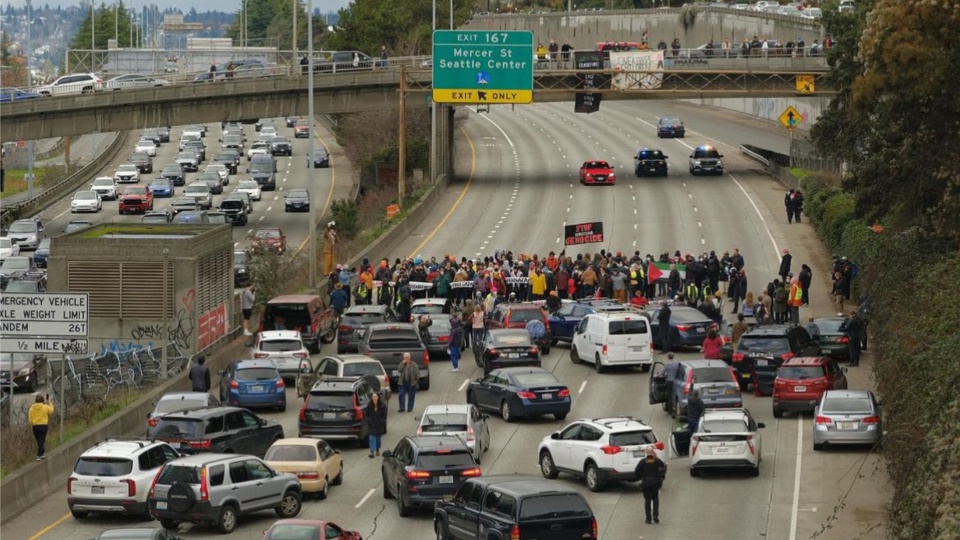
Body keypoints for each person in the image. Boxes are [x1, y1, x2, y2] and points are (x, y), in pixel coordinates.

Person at [635, 447, 667, 524]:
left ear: (646, 452)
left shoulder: (642, 462)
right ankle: (655, 515)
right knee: (655, 499)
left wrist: (641, 477)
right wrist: (660, 476)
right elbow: (663, 467)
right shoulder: (657, 461)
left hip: (646, 482)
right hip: (655, 482)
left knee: (647, 500)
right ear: (653, 452)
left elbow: (636, 471)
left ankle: (648, 519)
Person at [29, 394, 54, 461]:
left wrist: (32, 423)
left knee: (39, 440)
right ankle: (39, 454)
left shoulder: (31, 408)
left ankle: (42, 454)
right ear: (42, 400)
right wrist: (49, 403)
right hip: (43, 426)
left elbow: (30, 419)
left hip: (35, 426)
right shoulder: (45, 407)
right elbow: (51, 410)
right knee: (41, 440)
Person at [365, 392, 388, 458]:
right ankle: (372, 452)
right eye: (373, 397)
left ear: (378, 397)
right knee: (371, 438)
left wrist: (381, 421)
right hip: (371, 425)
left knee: (378, 439)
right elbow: (366, 414)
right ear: (371, 398)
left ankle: (377, 449)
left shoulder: (382, 406)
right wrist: (368, 420)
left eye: (375, 397)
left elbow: (384, 416)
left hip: (379, 425)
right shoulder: (369, 405)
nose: (374, 398)